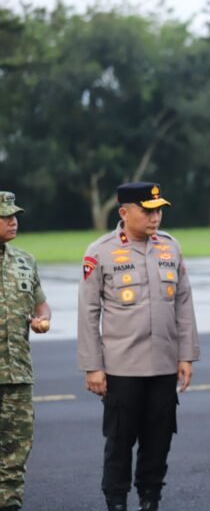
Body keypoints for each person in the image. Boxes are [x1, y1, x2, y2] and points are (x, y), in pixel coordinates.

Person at [77, 182, 200, 511]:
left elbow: (184, 306)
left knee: (159, 439)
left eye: (158, 210)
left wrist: (186, 355)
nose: (155, 217)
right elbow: (89, 313)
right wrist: (93, 366)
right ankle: (116, 500)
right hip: (121, 368)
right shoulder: (100, 251)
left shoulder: (170, 248)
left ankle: (150, 498)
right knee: (119, 441)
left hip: (163, 365)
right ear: (124, 212)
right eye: (147, 211)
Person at [0, 192, 51, 511]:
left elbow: (40, 302)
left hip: (17, 370)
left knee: (17, 444)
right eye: (5, 217)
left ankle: (9, 501)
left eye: (14, 215)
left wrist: (42, 318)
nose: (13, 220)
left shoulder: (25, 261)